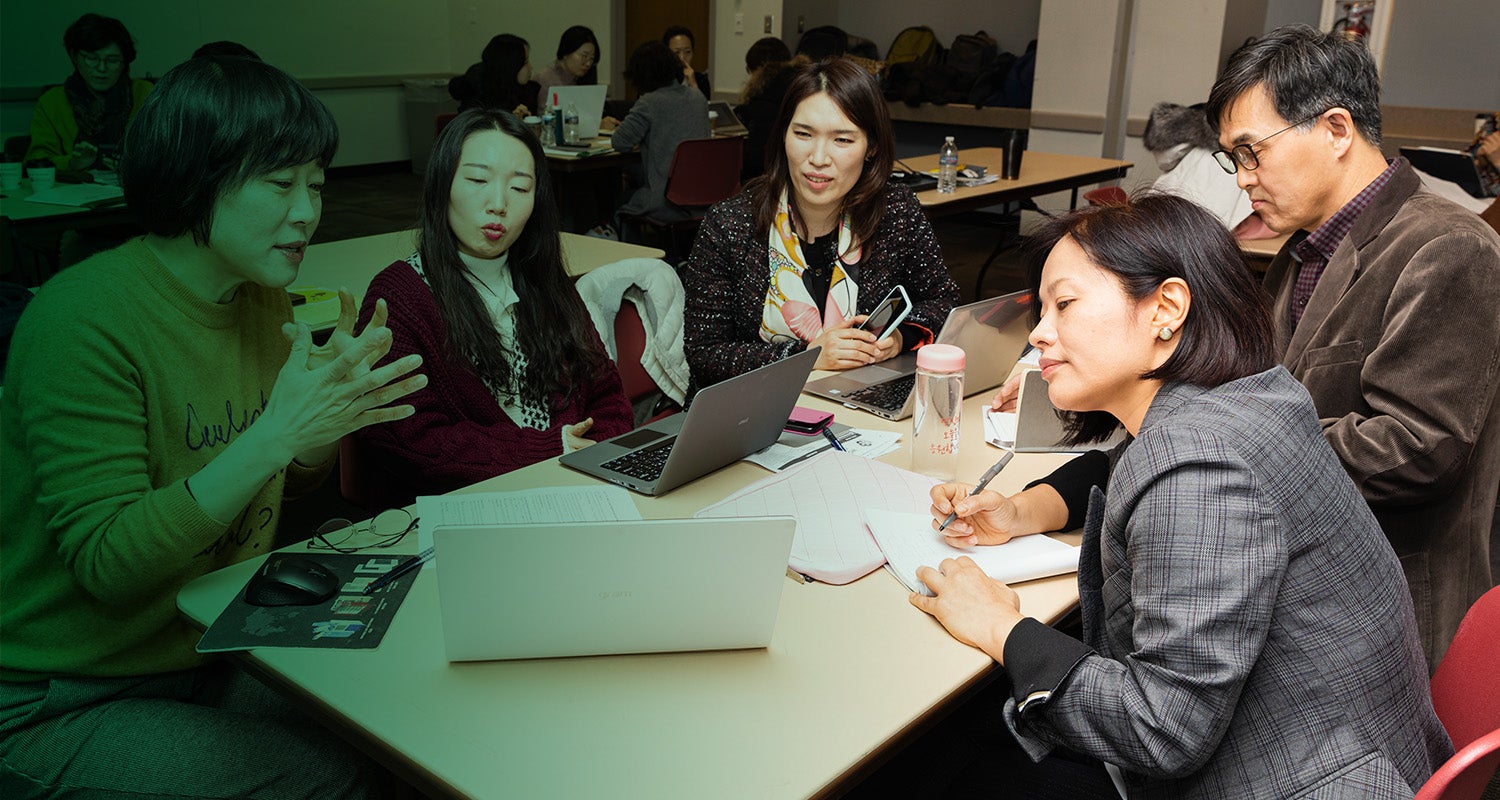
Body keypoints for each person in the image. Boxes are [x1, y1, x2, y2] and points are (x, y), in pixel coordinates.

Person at [906, 194, 1450, 798]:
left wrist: (1000, 627)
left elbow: (1164, 729)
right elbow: (1123, 464)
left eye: (1064, 304)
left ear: (1166, 308)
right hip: (1353, 751)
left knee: (936, 755)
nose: (1038, 334)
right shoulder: (1257, 399)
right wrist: (1019, 512)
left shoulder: (1197, 466)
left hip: (1286, 778)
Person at [0, 55, 425, 798]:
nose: (308, 212)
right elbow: (108, 562)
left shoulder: (260, 300)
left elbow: (269, 492)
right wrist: (277, 434)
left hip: (200, 646)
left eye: (317, 186)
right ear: (198, 176)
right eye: (280, 183)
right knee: (326, 774)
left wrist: (324, 423)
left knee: (397, 713)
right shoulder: (81, 321)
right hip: (63, 692)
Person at [1206, 24, 1500, 672]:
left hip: (1393, 613)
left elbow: (1419, 449)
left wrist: (1244, 436)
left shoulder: (1449, 247)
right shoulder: (1304, 250)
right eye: (1235, 159)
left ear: (1336, 129)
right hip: (1317, 589)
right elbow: (1285, 387)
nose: (1244, 180)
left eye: (1253, 152)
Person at [352, 109, 633, 500]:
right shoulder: (401, 295)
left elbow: (609, 399)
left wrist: (590, 455)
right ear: (442, 185)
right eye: (477, 180)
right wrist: (552, 452)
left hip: (574, 490)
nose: (498, 204)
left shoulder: (546, 282)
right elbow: (410, 440)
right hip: (463, 507)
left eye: (520, 188)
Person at [682, 58, 959, 388]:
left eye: (842, 140)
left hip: (860, 399)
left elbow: (945, 303)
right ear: (783, 135)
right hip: (752, 411)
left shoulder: (895, 211)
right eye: (803, 134)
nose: (817, 158)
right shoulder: (731, 224)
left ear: (871, 147)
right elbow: (704, 353)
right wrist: (806, 356)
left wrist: (900, 337)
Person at [26, 13, 153, 172]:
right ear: (75, 57)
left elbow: (168, 152)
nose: (101, 68)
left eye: (112, 60)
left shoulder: (146, 93)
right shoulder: (52, 101)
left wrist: (136, 163)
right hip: (73, 193)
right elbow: (38, 159)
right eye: (91, 58)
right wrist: (72, 163)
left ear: (124, 63)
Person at [612, 41, 710, 226]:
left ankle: (637, 253)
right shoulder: (698, 97)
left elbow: (619, 142)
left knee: (619, 200)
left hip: (665, 201)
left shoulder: (649, 103)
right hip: (703, 198)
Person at [736, 38, 799, 180]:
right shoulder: (801, 86)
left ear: (757, 70)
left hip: (763, 176)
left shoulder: (761, 97)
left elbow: (753, 158)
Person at [449, 33, 539, 117]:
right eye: (526, 62)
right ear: (511, 66)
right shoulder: (477, 92)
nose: (531, 67)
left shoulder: (521, 88)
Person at [534, 25, 601, 111]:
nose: (588, 64)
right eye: (584, 56)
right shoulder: (545, 79)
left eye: (591, 58)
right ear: (566, 52)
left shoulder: (585, 76)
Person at [663, 25, 711, 101]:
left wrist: (694, 86)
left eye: (687, 52)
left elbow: (703, 110)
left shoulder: (701, 80)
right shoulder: (657, 82)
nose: (682, 58)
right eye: (676, 53)